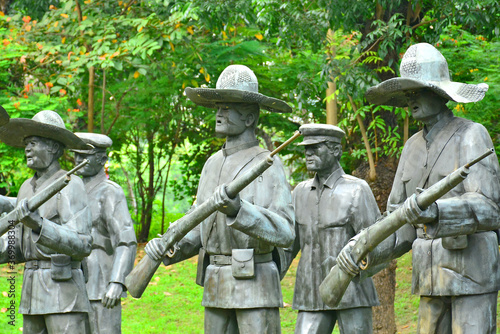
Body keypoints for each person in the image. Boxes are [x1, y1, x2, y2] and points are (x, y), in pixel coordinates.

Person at [338, 43, 500, 333]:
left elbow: (489, 207)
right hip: (429, 279)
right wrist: (364, 249)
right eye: (408, 93)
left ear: (439, 92)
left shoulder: (472, 135)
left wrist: (436, 212)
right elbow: (397, 222)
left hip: (472, 275)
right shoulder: (411, 148)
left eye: (418, 90)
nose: (411, 99)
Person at [145, 64, 295, 334]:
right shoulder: (211, 165)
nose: (218, 113)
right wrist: (170, 246)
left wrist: (240, 211)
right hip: (215, 286)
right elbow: (200, 223)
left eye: (226, 107)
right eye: (218, 106)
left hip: (256, 288)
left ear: (249, 118)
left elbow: (286, 232)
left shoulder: (269, 165)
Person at [0, 110, 93, 333]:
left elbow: (82, 244)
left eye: (33, 142)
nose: (27, 149)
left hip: (64, 294)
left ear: (52, 147)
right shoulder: (25, 188)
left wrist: (40, 225)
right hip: (32, 294)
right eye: (25, 144)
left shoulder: (71, 184)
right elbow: (18, 246)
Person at [287, 124, 380, 334]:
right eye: (306, 149)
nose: (308, 153)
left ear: (336, 151)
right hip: (311, 294)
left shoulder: (357, 190)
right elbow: (288, 247)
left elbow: (377, 243)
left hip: (352, 293)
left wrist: (361, 262)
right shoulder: (299, 193)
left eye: (315, 147)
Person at [72, 132, 137, 334]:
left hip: (100, 282)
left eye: (84, 156)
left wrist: (117, 281)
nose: (78, 161)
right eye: (75, 155)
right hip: (71, 282)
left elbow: (126, 241)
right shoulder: (70, 189)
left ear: (102, 159)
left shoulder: (110, 191)